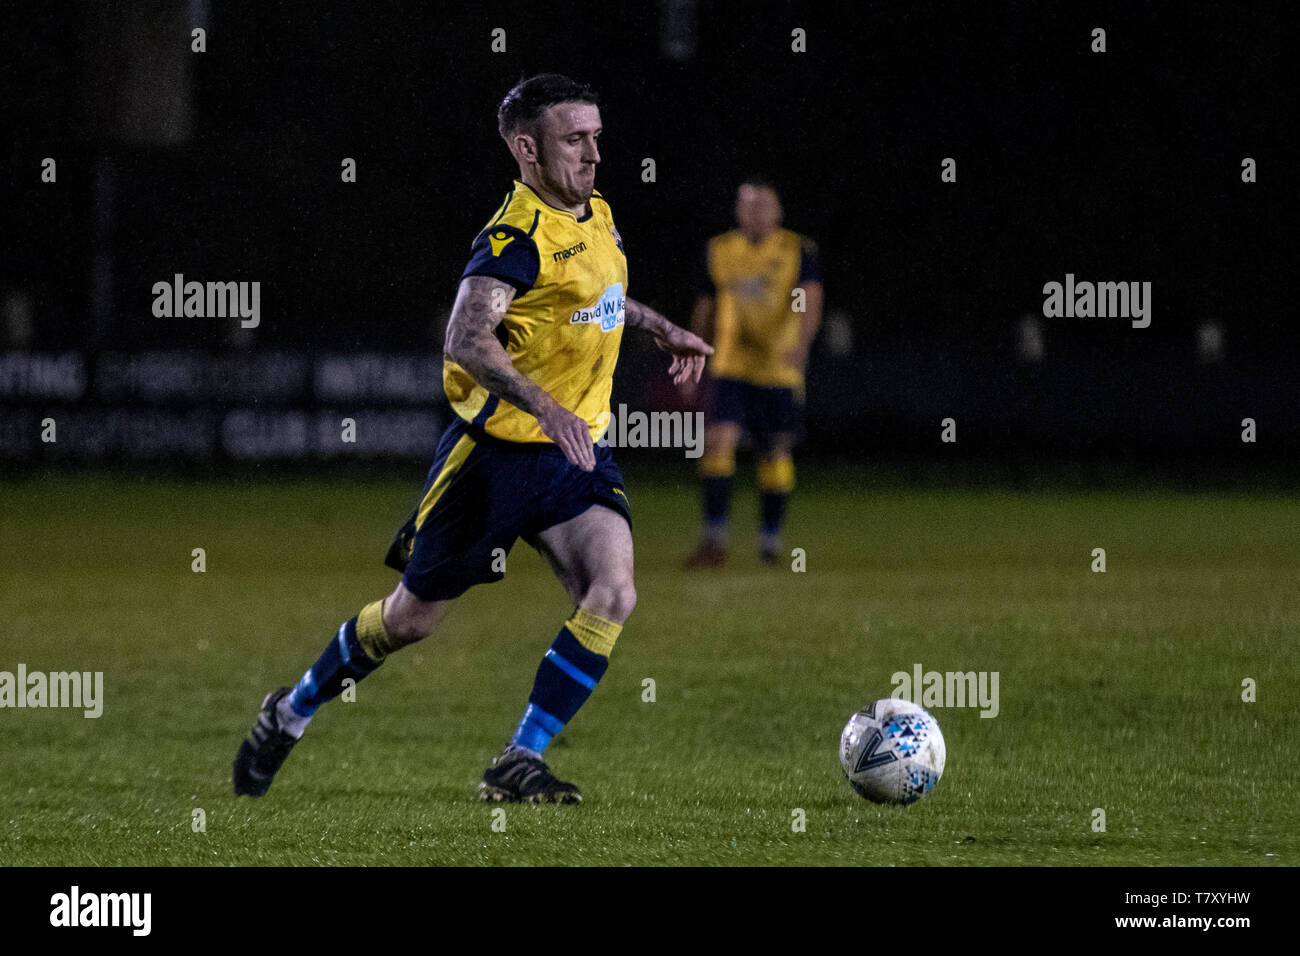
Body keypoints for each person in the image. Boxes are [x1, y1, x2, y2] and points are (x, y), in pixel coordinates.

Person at [232, 74, 712, 804]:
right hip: (493, 460)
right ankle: (290, 711)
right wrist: (543, 405)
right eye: (574, 139)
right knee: (409, 620)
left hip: (574, 454)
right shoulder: (512, 236)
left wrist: (658, 326)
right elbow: (465, 336)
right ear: (527, 148)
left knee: (612, 590)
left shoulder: (595, 212)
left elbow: (595, 296)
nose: (594, 154)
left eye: (597, 137)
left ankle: (520, 758)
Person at [683, 178, 823, 567]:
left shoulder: (798, 250)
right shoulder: (720, 249)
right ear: (737, 211)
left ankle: (770, 542)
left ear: (778, 211)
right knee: (716, 444)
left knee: (775, 451)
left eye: (764, 205)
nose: (756, 212)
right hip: (730, 365)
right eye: (748, 205)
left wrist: (802, 343)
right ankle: (714, 541)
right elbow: (707, 305)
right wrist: (694, 353)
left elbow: (809, 299)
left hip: (779, 368)